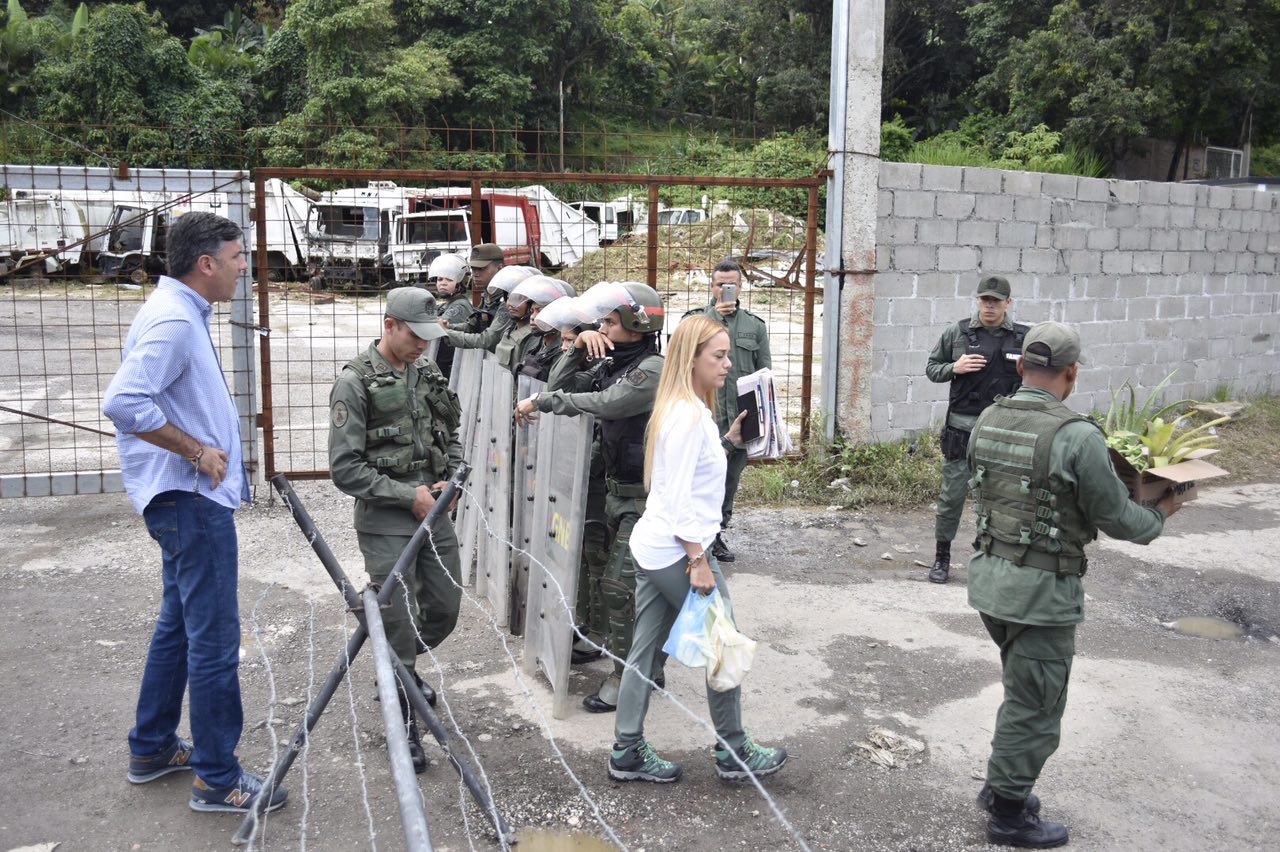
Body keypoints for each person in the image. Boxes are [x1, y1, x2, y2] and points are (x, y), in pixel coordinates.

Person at [966, 321, 1180, 848]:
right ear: (1073, 373)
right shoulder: (1077, 436)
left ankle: (1001, 788)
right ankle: (1009, 816)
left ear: (1020, 366)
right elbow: (1118, 518)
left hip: (991, 583)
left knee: (1022, 692)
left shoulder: (988, 417)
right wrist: (1162, 513)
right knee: (1036, 706)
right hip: (1041, 595)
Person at [103, 211, 288, 815]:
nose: (244, 267)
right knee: (213, 639)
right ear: (206, 263)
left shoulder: (182, 311)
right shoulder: (173, 322)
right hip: (189, 499)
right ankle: (217, 776)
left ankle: (152, 746)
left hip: (185, 501)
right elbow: (125, 402)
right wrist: (197, 450)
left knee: (179, 625)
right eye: (238, 258)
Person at [608, 314, 786, 783]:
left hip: (654, 546)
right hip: (677, 552)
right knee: (723, 645)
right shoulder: (687, 416)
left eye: (727, 354)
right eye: (719, 356)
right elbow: (682, 499)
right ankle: (734, 752)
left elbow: (677, 478)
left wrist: (725, 442)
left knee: (645, 653)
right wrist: (698, 560)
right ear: (693, 359)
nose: (728, 364)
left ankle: (626, 750)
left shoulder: (684, 409)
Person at [328, 287, 464, 774]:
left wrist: (451, 472)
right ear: (389, 325)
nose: (422, 346)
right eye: (414, 336)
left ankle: (402, 670)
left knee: (447, 606)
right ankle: (402, 718)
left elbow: (449, 430)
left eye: (429, 337)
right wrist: (409, 496)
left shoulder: (427, 371)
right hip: (387, 520)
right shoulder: (355, 383)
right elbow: (345, 469)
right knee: (399, 621)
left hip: (435, 509)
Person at [514, 282, 665, 712]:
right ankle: (605, 642)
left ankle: (632, 674)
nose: (602, 327)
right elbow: (560, 380)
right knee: (599, 568)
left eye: (609, 322)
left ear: (637, 323)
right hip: (613, 490)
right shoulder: (613, 360)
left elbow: (605, 403)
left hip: (644, 497)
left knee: (622, 586)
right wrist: (578, 347)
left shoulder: (651, 368)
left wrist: (544, 402)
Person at [925, 275, 1029, 583]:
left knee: (1000, 500)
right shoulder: (957, 333)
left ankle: (988, 557)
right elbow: (931, 368)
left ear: (1008, 303)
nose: (989, 306)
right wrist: (953, 368)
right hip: (962, 430)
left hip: (1003, 433)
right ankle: (942, 557)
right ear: (978, 300)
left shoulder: (1024, 338)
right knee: (951, 498)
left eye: (996, 302)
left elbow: (1041, 377)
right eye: (985, 300)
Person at [681, 258, 771, 563]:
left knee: (729, 479)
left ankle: (716, 533)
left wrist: (766, 421)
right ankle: (696, 536)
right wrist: (713, 317)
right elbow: (682, 360)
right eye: (720, 284)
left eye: (731, 284)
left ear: (741, 286)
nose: (725, 289)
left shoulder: (754, 326)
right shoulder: (696, 321)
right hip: (705, 414)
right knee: (700, 477)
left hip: (740, 417)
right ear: (712, 286)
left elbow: (764, 375)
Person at [444, 265, 539, 369]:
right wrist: (450, 327)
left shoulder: (533, 336)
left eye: (518, 299)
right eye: (508, 298)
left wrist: (446, 332)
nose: (510, 304)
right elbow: (473, 325)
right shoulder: (510, 329)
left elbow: (487, 341)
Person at [426, 252, 474, 380]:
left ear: (461, 283)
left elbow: (437, 329)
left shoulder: (459, 307)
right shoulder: (446, 305)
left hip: (450, 371)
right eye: (440, 279)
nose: (443, 283)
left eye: (449, 279)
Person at [466, 242, 509, 332]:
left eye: (481, 269)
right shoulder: (488, 295)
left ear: (499, 268)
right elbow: (474, 325)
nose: (475, 274)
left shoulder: (507, 298)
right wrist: (447, 327)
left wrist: (448, 332)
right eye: (473, 269)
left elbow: (489, 339)